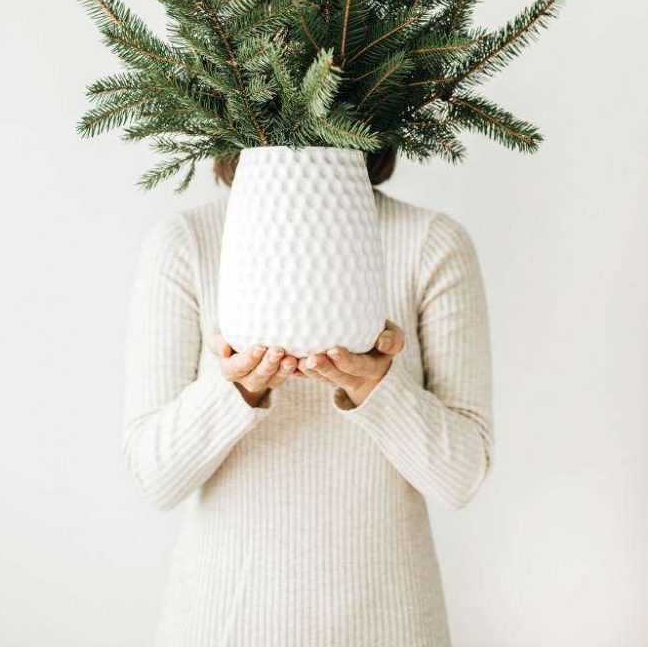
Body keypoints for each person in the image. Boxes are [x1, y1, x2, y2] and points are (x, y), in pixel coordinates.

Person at [122, 148, 494, 646]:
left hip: (389, 625)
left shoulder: (429, 243)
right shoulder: (188, 243)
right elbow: (155, 475)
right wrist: (237, 388)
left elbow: (461, 477)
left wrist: (375, 389)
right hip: (224, 624)